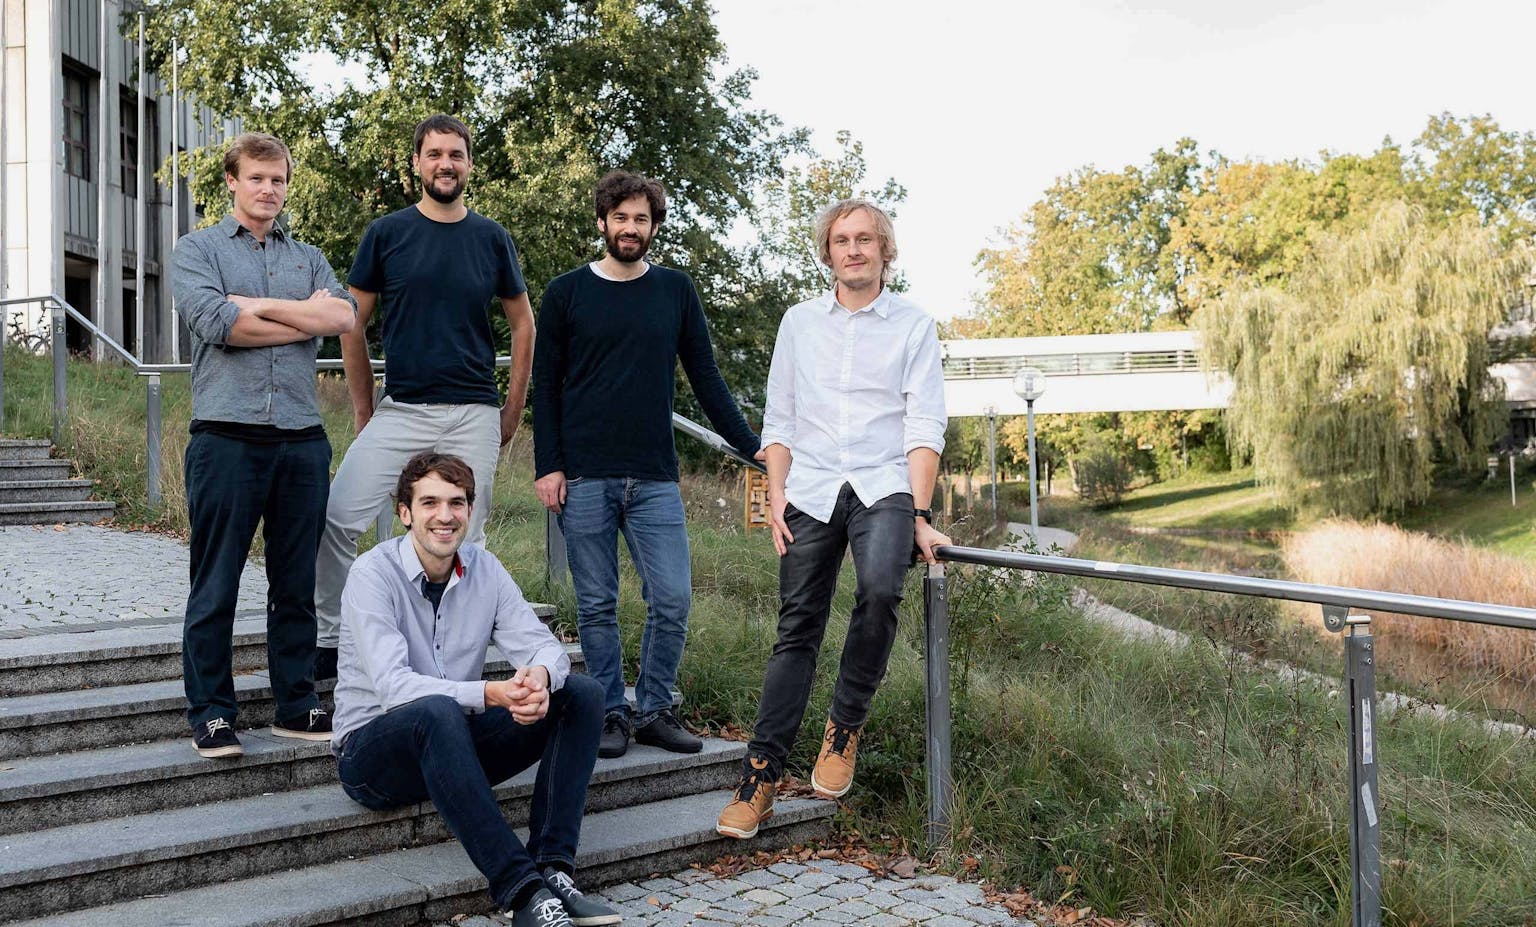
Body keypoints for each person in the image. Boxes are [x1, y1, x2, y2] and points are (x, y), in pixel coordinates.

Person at [717, 198, 949, 838]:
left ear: (884, 250)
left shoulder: (913, 325)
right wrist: (775, 500)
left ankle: (844, 727)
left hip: (884, 485)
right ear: (827, 252)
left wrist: (922, 513)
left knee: (879, 590)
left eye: (866, 239)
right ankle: (760, 777)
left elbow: (924, 422)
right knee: (797, 628)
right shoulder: (798, 323)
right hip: (811, 488)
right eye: (843, 240)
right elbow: (780, 421)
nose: (854, 249)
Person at [532, 170, 762, 759]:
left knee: (673, 597)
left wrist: (752, 445)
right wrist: (548, 466)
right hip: (584, 474)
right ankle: (610, 712)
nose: (630, 228)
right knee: (598, 603)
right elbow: (547, 386)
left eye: (641, 219)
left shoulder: (675, 291)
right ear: (603, 222)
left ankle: (656, 707)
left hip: (655, 476)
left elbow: (705, 377)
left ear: (654, 226)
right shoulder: (566, 293)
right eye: (621, 218)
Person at [333, 452, 617, 927]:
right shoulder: (371, 574)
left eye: (457, 503)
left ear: (469, 511)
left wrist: (538, 680)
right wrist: (491, 693)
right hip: (373, 757)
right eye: (430, 503)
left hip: (453, 750)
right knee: (436, 710)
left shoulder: (484, 569)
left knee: (582, 695)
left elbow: (544, 648)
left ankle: (553, 869)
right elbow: (394, 688)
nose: (445, 516)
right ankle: (523, 892)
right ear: (405, 513)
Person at [313, 113, 535, 679]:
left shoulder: (491, 238)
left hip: (472, 413)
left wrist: (510, 409)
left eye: (455, 154)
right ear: (417, 163)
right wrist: (364, 409)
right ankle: (332, 636)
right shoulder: (386, 234)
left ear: (468, 164)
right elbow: (350, 324)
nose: (445, 164)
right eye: (434, 154)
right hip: (403, 408)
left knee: (466, 536)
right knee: (337, 518)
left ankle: (455, 657)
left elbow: (524, 326)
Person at [171, 132, 357, 757]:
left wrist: (258, 306)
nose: (269, 190)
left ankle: (297, 702)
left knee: (296, 580)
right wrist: (295, 315)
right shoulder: (195, 251)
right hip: (227, 436)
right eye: (257, 178)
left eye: (278, 180)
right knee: (216, 579)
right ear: (232, 181)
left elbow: (343, 319)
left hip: (302, 440)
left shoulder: (308, 257)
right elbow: (218, 325)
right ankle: (214, 713)